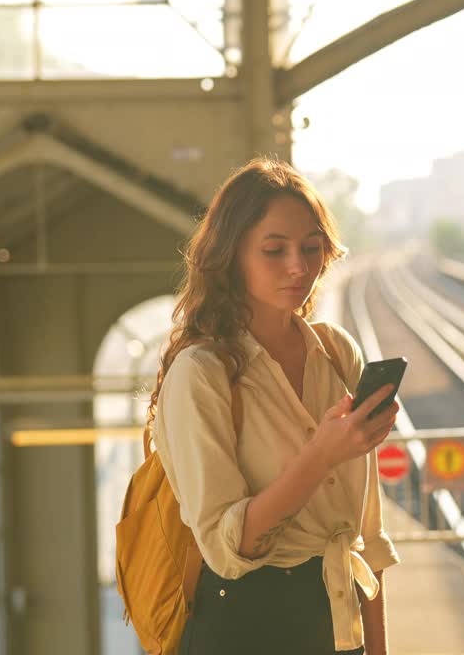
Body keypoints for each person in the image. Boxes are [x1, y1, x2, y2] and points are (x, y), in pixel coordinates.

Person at [147, 158, 401, 654]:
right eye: (274, 250)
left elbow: (366, 537)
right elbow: (226, 549)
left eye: (311, 248)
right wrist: (320, 456)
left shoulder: (335, 352)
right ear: (231, 254)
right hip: (247, 626)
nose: (298, 267)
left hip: (338, 621)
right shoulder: (202, 373)